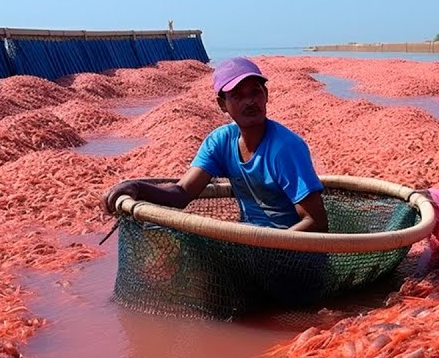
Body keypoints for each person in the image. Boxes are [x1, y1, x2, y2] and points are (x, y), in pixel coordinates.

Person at [103, 57, 328, 232]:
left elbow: (316, 222)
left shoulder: (286, 148)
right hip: (251, 243)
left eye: (255, 92)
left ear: (266, 95)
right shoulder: (220, 142)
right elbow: (182, 193)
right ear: (222, 104)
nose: (250, 101)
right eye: (238, 95)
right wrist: (137, 188)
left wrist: (267, 248)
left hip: (293, 255)